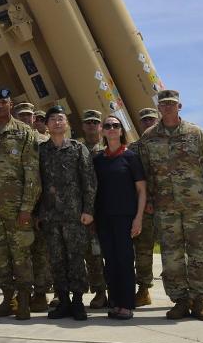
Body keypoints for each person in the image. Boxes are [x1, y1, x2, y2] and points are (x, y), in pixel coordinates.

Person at [137, 90, 203, 321]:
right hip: (165, 208)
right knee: (171, 257)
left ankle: (198, 301)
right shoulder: (149, 137)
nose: (167, 107)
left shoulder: (196, 134)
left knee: (199, 255)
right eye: (163, 104)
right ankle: (179, 300)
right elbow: (144, 173)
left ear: (180, 106)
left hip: (196, 207)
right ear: (158, 107)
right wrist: (147, 201)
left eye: (172, 104)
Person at [0, 88, 41, 320]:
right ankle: (7, 299)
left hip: (16, 210)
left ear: (10, 104)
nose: (0, 106)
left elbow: (32, 174)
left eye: (4, 102)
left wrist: (26, 208)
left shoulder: (24, 133)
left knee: (21, 254)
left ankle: (23, 300)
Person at [37, 106, 95, 321]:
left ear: (67, 124)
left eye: (60, 119)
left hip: (74, 216)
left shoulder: (79, 149)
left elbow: (89, 181)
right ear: (47, 125)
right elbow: (36, 183)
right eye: (52, 119)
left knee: (76, 259)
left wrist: (89, 210)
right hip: (50, 217)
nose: (57, 122)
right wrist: (38, 213)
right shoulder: (41, 151)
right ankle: (63, 301)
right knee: (56, 260)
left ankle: (78, 302)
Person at [93, 115, 146, 320]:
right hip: (104, 218)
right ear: (103, 131)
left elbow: (142, 190)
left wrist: (138, 218)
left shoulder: (131, 157)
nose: (112, 129)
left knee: (125, 260)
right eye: (108, 126)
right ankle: (114, 303)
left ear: (121, 131)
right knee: (110, 261)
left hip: (125, 218)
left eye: (116, 126)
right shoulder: (98, 159)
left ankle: (126, 305)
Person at [14, 100, 52, 312]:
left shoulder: (44, 141)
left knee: (40, 253)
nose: (26, 119)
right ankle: (22, 295)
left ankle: (40, 294)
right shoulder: (12, 140)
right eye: (22, 115)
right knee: (20, 253)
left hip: (39, 207)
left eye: (29, 115)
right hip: (16, 206)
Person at [79, 109, 109, 310]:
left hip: (107, 208)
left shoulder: (109, 148)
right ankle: (99, 292)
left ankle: (117, 290)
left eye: (95, 122)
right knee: (92, 254)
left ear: (101, 126)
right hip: (85, 210)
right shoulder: (76, 148)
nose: (91, 125)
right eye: (88, 122)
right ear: (83, 126)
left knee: (113, 253)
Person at [130, 107, 159, 306]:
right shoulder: (133, 148)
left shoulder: (166, 146)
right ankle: (140, 289)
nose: (148, 123)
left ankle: (145, 287)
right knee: (139, 250)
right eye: (145, 120)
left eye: (151, 120)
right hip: (139, 208)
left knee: (168, 252)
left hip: (163, 207)